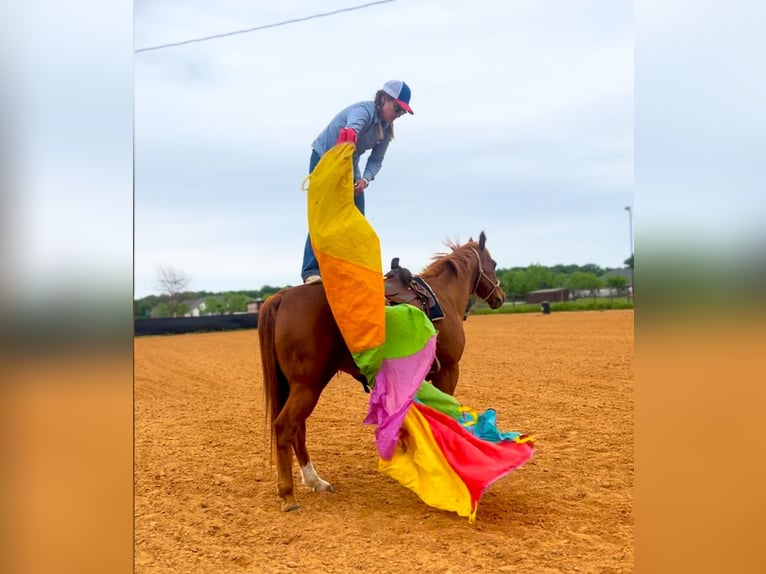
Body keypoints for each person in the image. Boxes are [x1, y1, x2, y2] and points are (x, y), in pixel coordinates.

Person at [301, 80, 414, 284]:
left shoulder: (387, 130)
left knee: (357, 217)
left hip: (349, 164)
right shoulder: (363, 111)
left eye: (402, 112)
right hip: (325, 159)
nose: (398, 114)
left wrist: (364, 180)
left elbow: (376, 160)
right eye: (397, 108)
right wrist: (350, 139)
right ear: (382, 99)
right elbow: (351, 130)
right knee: (324, 213)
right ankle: (311, 271)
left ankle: (350, 268)